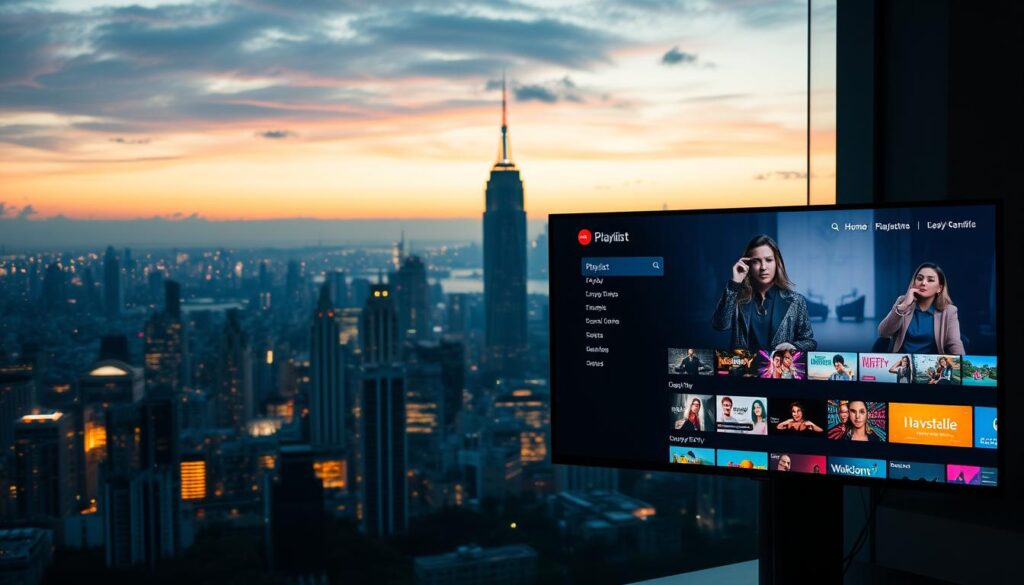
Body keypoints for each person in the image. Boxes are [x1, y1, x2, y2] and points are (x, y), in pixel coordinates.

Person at [712, 234, 817, 352]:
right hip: (743, 368)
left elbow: (810, 342)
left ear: (777, 263)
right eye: (756, 261)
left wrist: (794, 346)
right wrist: (735, 282)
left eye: (769, 260)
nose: (763, 267)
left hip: (778, 368)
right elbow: (720, 325)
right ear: (748, 265)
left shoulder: (796, 301)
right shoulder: (736, 297)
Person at [878, 262, 964, 354]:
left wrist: (962, 364)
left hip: (931, 365)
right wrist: (904, 306)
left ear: (939, 288)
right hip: (901, 362)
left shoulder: (949, 311)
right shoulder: (902, 301)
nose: (923, 283)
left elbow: (954, 343)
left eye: (930, 280)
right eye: (919, 278)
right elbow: (884, 332)